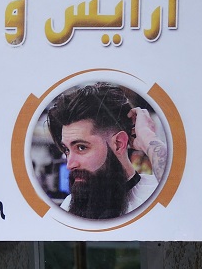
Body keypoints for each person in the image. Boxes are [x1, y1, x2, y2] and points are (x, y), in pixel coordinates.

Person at [45, 82, 163, 219]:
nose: (70, 164)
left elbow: (183, 183)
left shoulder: (155, 195)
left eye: (81, 147)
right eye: (67, 149)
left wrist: (147, 137)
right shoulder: (67, 205)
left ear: (118, 144)